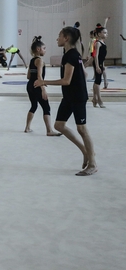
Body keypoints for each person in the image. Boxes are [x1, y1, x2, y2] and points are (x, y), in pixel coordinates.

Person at [34, 23, 97, 176]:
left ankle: (93, 163)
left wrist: (44, 82)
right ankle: (84, 151)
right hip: (69, 96)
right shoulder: (71, 54)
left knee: (82, 128)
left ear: (66, 38)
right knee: (59, 125)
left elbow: (66, 80)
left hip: (77, 96)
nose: (57, 39)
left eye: (59, 36)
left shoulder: (71, 56)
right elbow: (84, 74)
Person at [25, 37, 61, 136]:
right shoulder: (40, 61)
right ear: (38, 49)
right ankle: (49, 130)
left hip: (30, 86)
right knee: (46, 108)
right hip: (37, 86)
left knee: (34, 106)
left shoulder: (32, 61)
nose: (45, 50)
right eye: (44, 48)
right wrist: (43, 89)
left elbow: (28, 76)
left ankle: (27, 127)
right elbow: (39, 77)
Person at [91, 24, 108, 108]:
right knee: (98, 82)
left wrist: (102, 65)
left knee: (97, 82)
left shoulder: (103, 43)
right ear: (99, 34)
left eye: (106, 33)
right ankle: (99, 99)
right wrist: (97, 66)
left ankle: (94, 99)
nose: (106, 34)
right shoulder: (98, 43)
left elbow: (102, 56)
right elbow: (96, 56)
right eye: (104, 33)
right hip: (98, 63)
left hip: (101, 63)